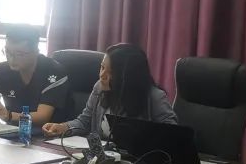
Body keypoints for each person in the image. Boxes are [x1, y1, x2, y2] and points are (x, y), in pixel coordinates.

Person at [43, 43, 176, 138]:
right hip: (102, 160)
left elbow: (172, 135)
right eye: (102, 67)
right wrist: (63, 127)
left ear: (129, 76)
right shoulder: (99, 87)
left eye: (111, 72)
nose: (102, 75)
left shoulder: (154, 97)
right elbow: (84, 121)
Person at [0, 25, 68, 127]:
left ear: (36, 52)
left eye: (19, 54)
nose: (11, 59)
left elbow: (42, 117)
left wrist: (9, 115)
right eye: (7, 52)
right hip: (12, 131)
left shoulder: (53, 72)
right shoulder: (2, 70)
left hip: (48, 133)